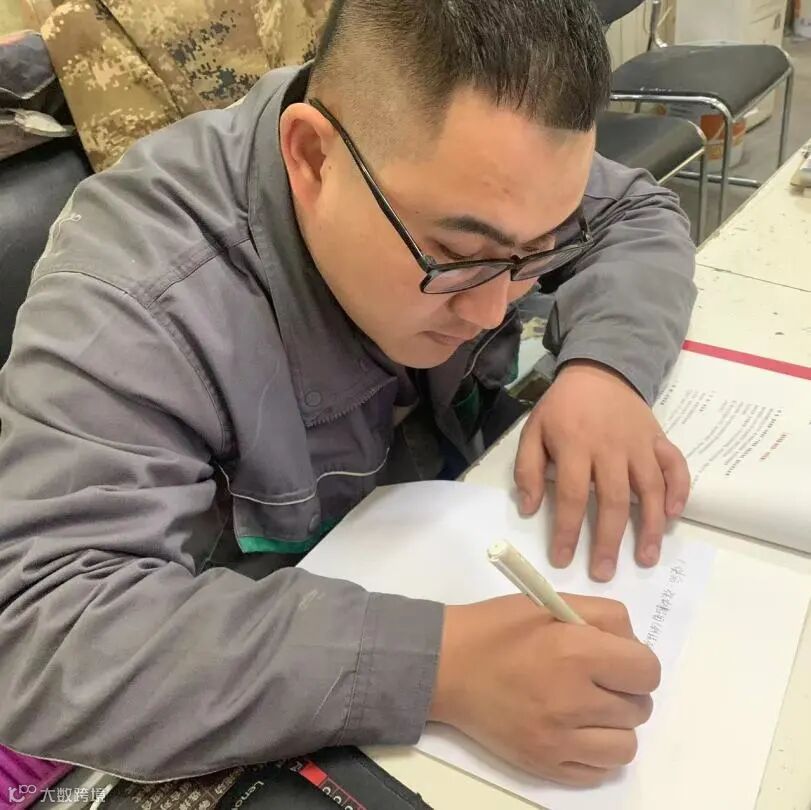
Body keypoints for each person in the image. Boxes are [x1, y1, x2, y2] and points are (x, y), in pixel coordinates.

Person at [0, 0, 694, 789]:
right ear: (311, 158)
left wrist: (604, 370)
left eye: (538, 252)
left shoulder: (483, 165)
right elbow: (42, 636)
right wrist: (436, 668)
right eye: (458, 255)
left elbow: (636, 212)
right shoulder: (135, 293)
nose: (491, 311)